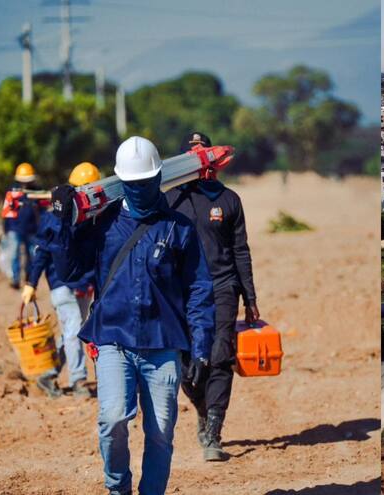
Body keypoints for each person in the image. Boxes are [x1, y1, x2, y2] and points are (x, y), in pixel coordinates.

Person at [48, 136, 215, 495]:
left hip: (163, 345)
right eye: (133, 185)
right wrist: (63, 224)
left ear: (159, 180)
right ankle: (117, 488)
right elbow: (71, 271)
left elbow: (200, 288)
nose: (139, 191)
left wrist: (200, 347)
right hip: (113, 340)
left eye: (145, 183)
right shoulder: (103, 225)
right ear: (121, 182)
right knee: (111, 420)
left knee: (160, 433)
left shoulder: (179, 228)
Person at [167, 132, 259, 461]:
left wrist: (249, 297)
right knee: (186, 362)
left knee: (220, 356)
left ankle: (213, 432)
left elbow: (240, 250)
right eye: (191, 154)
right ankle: (203, 407)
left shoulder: (229, 200)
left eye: (202, 153)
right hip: (182, 292)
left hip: (223, 287)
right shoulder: (172, 199)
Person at [21, 162, 102, 399]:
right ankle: (78, 381)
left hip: (84, 284)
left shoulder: (95, 218)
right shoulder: (53, 219)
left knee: (72, 331)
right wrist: (31, 284)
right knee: (74, 329)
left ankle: (49, 372)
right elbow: (42, 253)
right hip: (60, 283)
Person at [1, 163, 41, 289]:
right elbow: (6, 212)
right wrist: (6, 229)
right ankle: (15, 278)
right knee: (14, 254)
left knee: (33, 254)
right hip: (14, 228)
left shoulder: (37, 192)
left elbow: (42, 212)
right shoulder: (12, 192)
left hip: (32, 229)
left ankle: (29, 277)